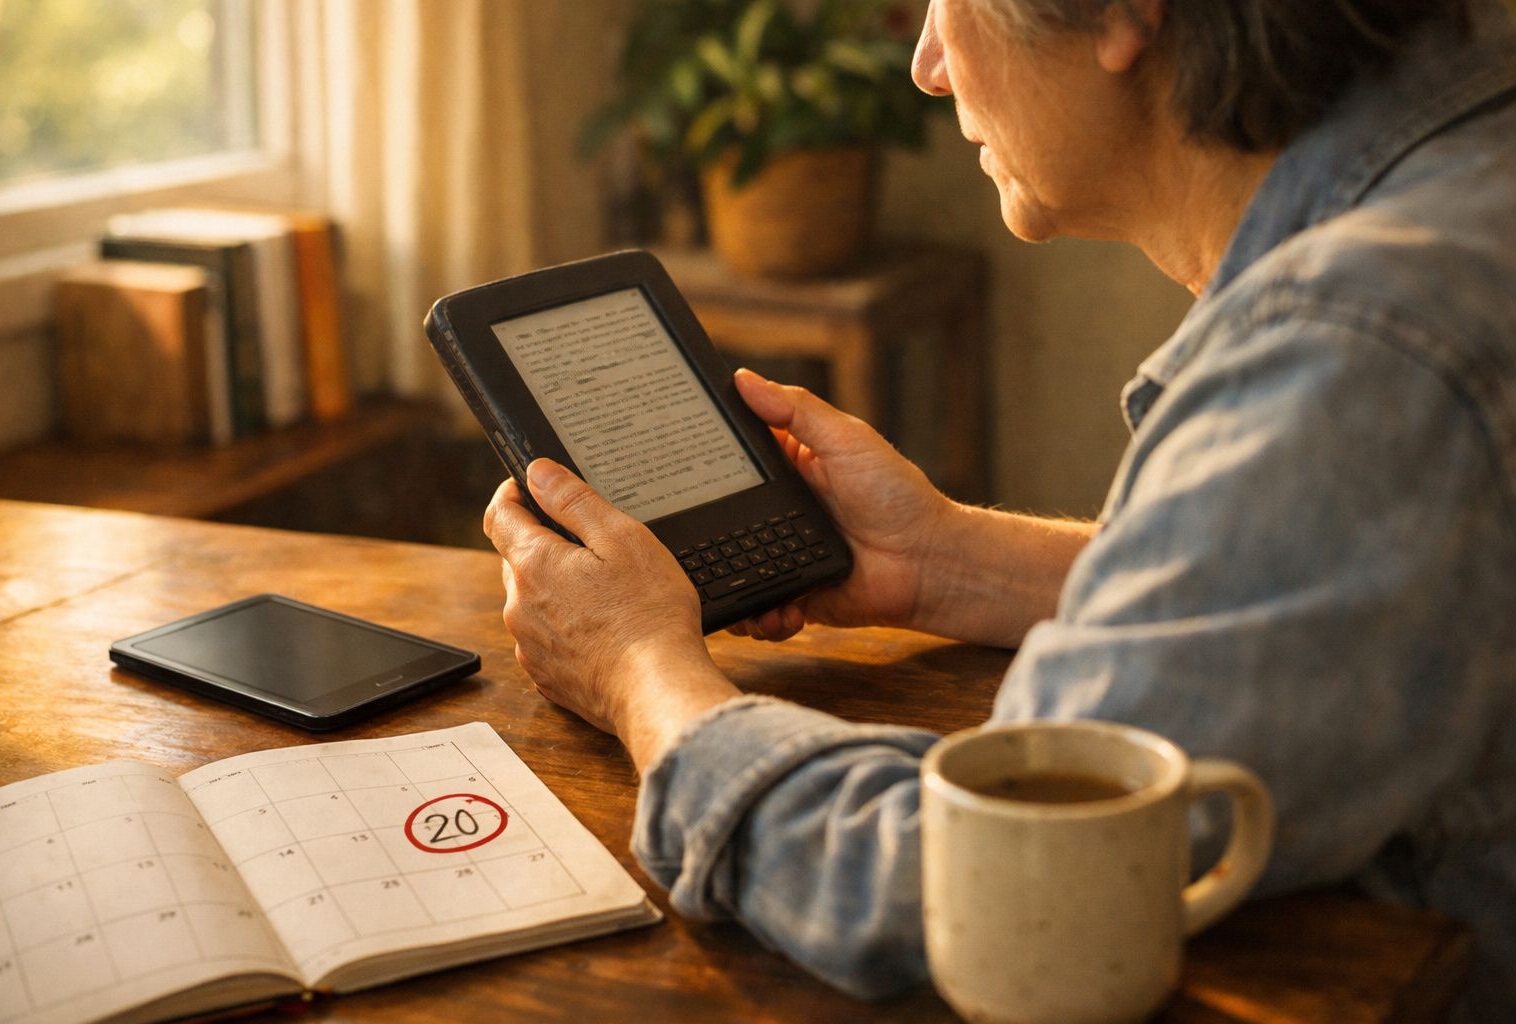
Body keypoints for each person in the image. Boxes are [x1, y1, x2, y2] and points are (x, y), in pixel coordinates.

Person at [484, 0, 1516, 1015]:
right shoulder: (1465, 185)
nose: (928, 64)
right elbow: (1334, 607)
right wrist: (950, 559)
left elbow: (971, 889)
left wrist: (641, 670)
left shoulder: (1360, 347)